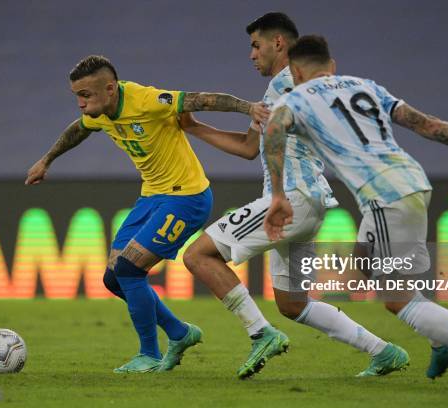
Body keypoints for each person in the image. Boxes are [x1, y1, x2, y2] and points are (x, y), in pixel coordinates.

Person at [263, 35, 448, 390]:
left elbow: (273, 132)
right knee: (362, 262)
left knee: (397, 299)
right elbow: (429, 125)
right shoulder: (366, 86)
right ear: (333, 65)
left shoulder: (295, 98)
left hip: (384, 196)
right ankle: (443, 344)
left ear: (295, 71)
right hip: (414, 181)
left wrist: (278, 194)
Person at [183, 13, 409, 380]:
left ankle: (261, 334)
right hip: (311, 202)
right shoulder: (294, 86)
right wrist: (194, 128)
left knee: (197, 255)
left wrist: (277, 195)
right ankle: (383, 351)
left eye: (256, 45)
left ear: (279, 44)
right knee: (292, 304)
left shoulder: (286, 83)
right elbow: (247, 147)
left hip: (291, 199)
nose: (251, 55)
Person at [25, 55, 269, 373]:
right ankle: (180, 333)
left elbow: (202, 99)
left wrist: (248, 108)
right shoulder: (99, 113)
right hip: (152, 197)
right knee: (114, 279)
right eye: (77, 96)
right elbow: (80, 128)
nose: (81, 104)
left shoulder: (148, 100)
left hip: (186, 197)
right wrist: (47, 160)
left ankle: (149, 354)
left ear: (110, 89)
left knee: (128, 270)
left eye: (86, 95)